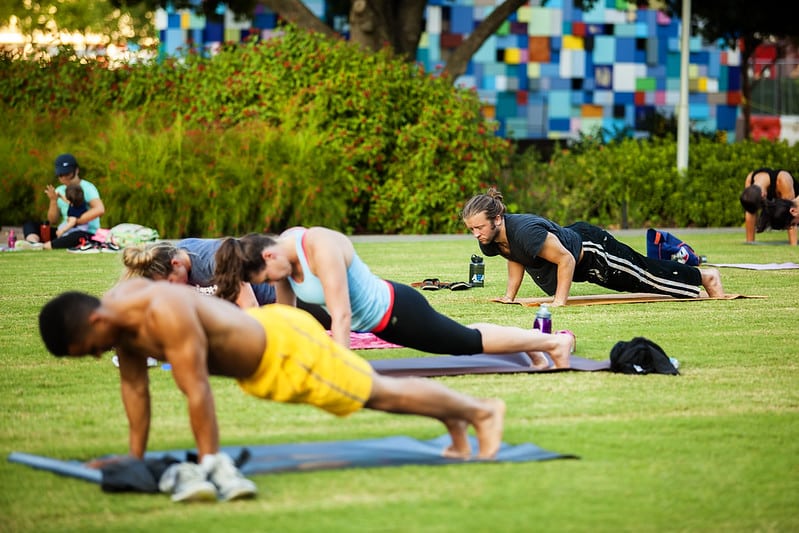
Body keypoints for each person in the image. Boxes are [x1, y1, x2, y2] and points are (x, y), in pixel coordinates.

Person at [38, 279, 507, 501]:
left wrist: (211, 467)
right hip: (266, 347)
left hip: (285, 351)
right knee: (378, 392)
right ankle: (454, 418)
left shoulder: (162, 312)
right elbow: (136, 391)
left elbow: (196, 391)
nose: (98, 355)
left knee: (378, 394)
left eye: (89, 348)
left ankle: (480, 412)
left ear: (96, 321)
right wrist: (135, 462)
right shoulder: (122, 321)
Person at [212, 228, 575, 369]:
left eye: (264, 277)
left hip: (396, 310)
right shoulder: (283, 258)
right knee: (462, 338)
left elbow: (341, 316)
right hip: (381, 321)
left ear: (267, 257)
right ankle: (532, 346)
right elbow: (286, 314)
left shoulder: (317, 246)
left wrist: (343, 371)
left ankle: (553, 342)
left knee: (464, 342)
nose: (272, 282)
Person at [461, 188, 725, 307]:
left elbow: (565, 260)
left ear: (497, 218)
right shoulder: (492, 239)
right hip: (586, 262)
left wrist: (559, 302)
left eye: (479, 227)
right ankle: (701, 276)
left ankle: (705, 276)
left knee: (646, 276)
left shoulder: (525, 231)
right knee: (635, 282)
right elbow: (515, 256)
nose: (476, 234)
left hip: (594, 249)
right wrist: (509, 296)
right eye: (471, 229)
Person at [121, 239, 329, 325]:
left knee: (335, 321)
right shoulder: (177, 258)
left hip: (280, 298)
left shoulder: (212, 260)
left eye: (170, 282)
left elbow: (250, 307)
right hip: (253, 310)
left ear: (176, 263)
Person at [18, 153, 106, 251]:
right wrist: (53, 201)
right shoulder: (60, 190)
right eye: (61, 175)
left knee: (77, 236)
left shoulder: (87, 187)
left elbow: (99, 209)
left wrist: (75, 221)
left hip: (84, 231)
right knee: (30, 224)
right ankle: (33, 243)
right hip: (64, 230)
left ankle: (46, 246)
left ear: (76, 171)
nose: (64, 178)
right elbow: (53, 220)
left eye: (67, 174)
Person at [739, 168, 798, 245]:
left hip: (796, 213)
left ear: (763, 195)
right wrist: (750, 243)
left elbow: (791, 213)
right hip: (792, 215)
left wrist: (793, 244)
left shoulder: (783, 180)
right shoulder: (750, 179)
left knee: (791, 213)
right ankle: (750, 241)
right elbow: (750, 210)